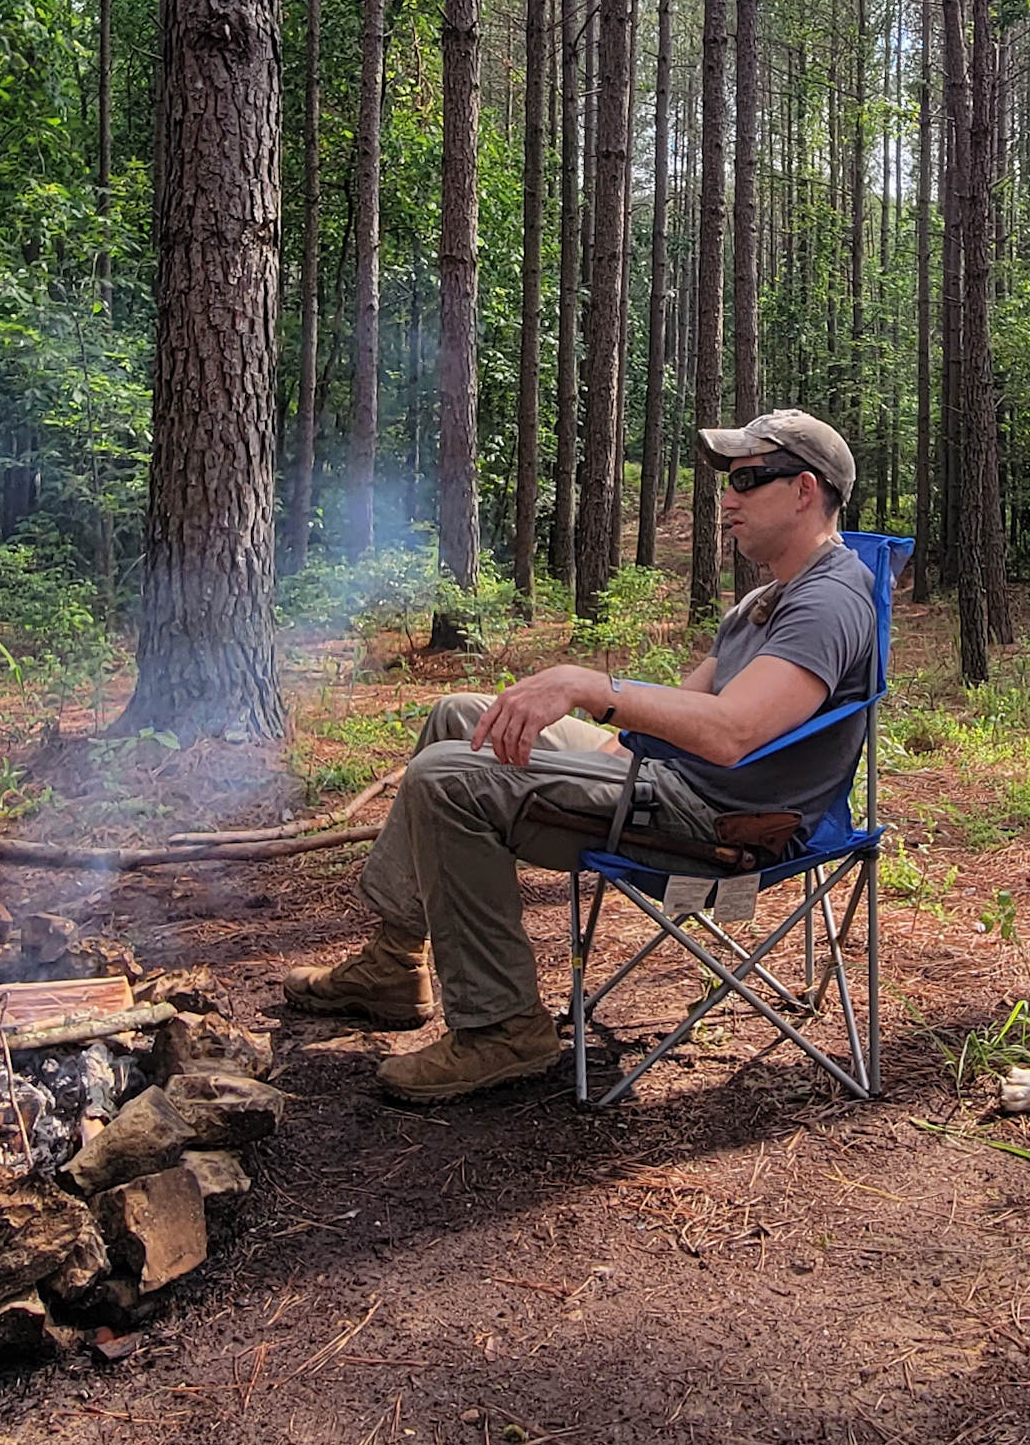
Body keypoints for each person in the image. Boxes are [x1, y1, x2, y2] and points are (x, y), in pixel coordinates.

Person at [286, 409, 881, 1103]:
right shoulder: (769, 597)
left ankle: (502, 1029)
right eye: (728, 481)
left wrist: (588, 686)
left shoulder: (828, 603)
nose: (727, 498)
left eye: (748, 480)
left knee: (447, 780)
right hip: (674, 781)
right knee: (462, 717)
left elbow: (733, 733)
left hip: (718, 825)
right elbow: (692, 702)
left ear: (805, 491)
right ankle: (395, 962)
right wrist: (607, 743)